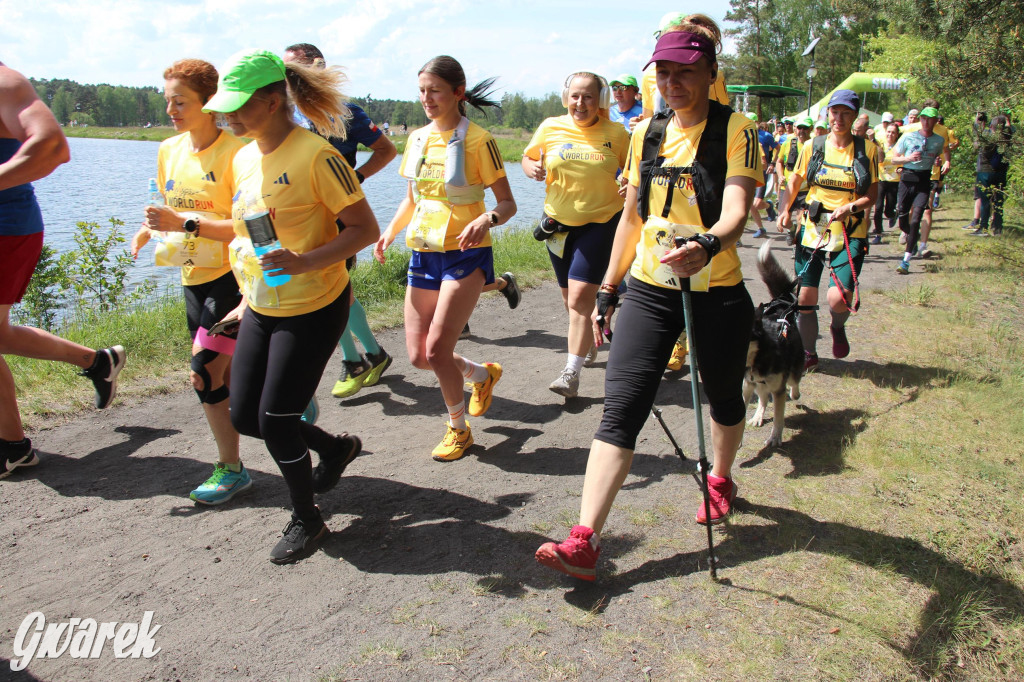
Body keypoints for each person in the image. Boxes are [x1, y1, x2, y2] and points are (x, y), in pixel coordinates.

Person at [535, 20, 761, 580]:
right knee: (622, 409)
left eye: (686, 71)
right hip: (651, 288)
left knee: (725, 399)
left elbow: (736, 210)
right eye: (664, 72)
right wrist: (610, 287)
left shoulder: (738, 129)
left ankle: (720, 477)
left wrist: (707, 244)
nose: (674, 82)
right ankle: (585, 539)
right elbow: (631, 218)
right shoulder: (644, 133)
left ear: (711, 73)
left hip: (718, 288)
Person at [203, 49, 380, 563]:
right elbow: (247, 234)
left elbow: (363, 231)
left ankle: (308, 518)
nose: (227, 116)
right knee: (243, 416)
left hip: (315, 304)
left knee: (277, 418)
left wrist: (305, 262)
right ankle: (333, 447)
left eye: (238, 105)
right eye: (223, 106)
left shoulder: (317, 156)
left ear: (275, 99)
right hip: (262, 303)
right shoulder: (242, 155)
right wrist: (241, 299)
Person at [374, 55, 516, 463]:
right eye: (421, 91)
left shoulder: (478, 140)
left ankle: (458, 430)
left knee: (437, 351)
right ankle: (481, 374)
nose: (426, 98)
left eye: (434, 90)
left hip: (466, 255)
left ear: (458, 92)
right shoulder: (417, 138)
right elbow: (412, 198)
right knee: (420, 356)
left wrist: (486, 219)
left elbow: (507, 203)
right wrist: (390, 231)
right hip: (423, 253)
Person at [129, 59, 249, 505]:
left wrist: (185, 221)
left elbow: (246, 227)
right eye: (167, 102)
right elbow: (167, 207)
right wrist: (155, 228)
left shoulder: (238, 152)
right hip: (191, 275)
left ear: (210, 104)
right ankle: (281, 404)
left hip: (232, 278)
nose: (171, 110)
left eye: (180, 102)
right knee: (227, 376)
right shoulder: (169, 149)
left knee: (203, 372)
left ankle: (231, 469)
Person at [0, 61, 125, 478]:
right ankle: (96, 362)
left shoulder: (5, 82)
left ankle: (12, 445)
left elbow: (53, 146)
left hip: (5, 229)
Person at [281, 43, 397, 402]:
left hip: (337, 219)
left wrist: (355, 178)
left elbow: (387, 150)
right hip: (298, 219)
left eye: (289, 71)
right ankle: (370, 356)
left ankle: (355, 360)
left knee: (333, 289)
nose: (283, 79)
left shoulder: (344, 112)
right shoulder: (283, 114)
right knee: (330, 289)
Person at [522, 72, 629, 398]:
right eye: (575, 96)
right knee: (571, 303)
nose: (580, 103)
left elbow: (632, 167)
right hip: (557, 227)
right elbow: (528, 157)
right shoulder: (550, 127)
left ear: (600, 101)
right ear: (566, 97)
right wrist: (532, 168)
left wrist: (626, 177)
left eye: (588, 97)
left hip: (600, 224)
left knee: (581, 300)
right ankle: (584, 343)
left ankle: (570, 374)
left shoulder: (615, 132)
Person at [778, 89, 878, 369]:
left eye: (846, 113)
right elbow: (794, 183)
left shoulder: (867, 150)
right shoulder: (813, 145)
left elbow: (872, 194)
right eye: (835, 112)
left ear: (855, 116)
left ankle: (837, 325)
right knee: (805, 297)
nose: (840, 118)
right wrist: (784, 210)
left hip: (849, 230)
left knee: (837, 299)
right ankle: (809, 353)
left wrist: (851, 208)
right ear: (827, 114)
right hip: (813, 228)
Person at [891, 106, 949, 274]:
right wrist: (908, 158)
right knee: (903, 219)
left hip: (924, 181)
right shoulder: (909, 137)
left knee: (916, 218)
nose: (926, 121)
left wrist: (939, 163)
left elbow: (939, 156)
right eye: (923, 118)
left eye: (929, 119)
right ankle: (912, 238)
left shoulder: (938, 140)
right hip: (907, 179)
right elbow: (894, 159)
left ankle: (905, 261)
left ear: (935, 121)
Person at [970, 114, 1012, 236]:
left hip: (985, 171)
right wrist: (1007, 121)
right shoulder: (1006, 137)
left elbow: (976, 146)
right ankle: (998, 228)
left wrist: (978, 123)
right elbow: (1011, 128)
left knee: (985, 200)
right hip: (1001, 172)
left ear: (991, 125)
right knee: (999, 200)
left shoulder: (986, 136)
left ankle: (983, 228)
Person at [775, 116, 812, 244]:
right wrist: (780, 176)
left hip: (805, 189)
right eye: (800, 127)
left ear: (810, 129)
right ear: (796, 129)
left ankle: (798, 245)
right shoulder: (788, 144)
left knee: (802, 219)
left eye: (805, 128)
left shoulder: (813, 145)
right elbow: (779, 162)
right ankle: (792, 229)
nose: (802, 130)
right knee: (784, 221)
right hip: (788, 188)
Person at [871, 120, 902, 245]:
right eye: (888, 131)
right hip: (881, 179)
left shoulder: (899, 146)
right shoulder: (880, 143)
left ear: (896, 134)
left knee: (889, 209)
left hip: (894, 180)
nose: (890, 134)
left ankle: (892, 214)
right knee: (878, 208)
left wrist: (901, 168)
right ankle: (878, 234)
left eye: (893, 132)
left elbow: (904, 159)